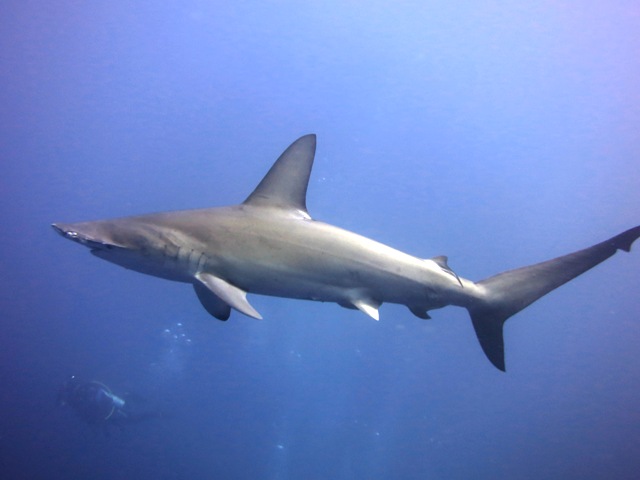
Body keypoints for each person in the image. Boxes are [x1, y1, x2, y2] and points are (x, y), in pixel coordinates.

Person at [58, 376, 160, 433]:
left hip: (110, 410)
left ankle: (153, 413)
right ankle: (149, 409)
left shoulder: (83, 394)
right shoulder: (82, 394)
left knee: (132, 418)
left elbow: (99, 405)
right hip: (108, 411)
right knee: (132, 417)